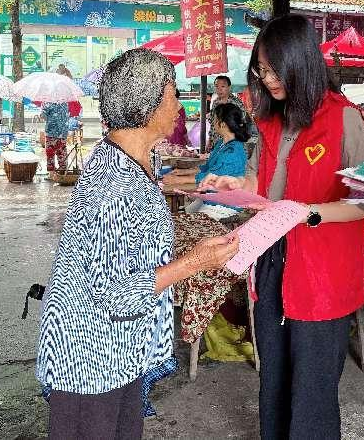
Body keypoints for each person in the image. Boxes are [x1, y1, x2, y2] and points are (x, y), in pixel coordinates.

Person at [199, 14, 364, 440]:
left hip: (322, 273)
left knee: (312, 393)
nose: (266, 79)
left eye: (272, 69)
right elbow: (261, 185)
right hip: (272, 264)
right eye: (260, 71)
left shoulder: (344, 121)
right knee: (275, 382)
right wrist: (233, 184)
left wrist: (311, 213)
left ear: (300, 62)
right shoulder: (269, 121)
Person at [36, 48, 238, 439]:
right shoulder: (115, 186)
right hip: (90, 354)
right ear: (147, 105)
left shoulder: (128, 158)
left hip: (117, 348)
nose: (179, 107)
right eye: (172, 95)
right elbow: (115, 293)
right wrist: (195, 261)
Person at [164, 103, 248, 186]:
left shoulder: (233, 152)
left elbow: (211, 177)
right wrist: (183, 172)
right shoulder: (221, 143)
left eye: (215, 120)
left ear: (223, 125)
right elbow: (207, 168)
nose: (213, 123)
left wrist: (179, 180)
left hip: (223, 197)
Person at [208, 75, 252, 149]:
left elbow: (242, 123)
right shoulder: (215, 102)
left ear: (229, 87)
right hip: (217, 143)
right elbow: (213, 123)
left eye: (223, 86)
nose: (219, 89)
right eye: (216, 86)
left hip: (232, 144)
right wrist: (210, 140)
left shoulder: (236, 103)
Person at [41, 101, 70, 174]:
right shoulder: (65, 103)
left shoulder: (47, 103)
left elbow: (43, 116)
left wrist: (42, 111)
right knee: (62, 152)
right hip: (63, 133)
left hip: (51, 133)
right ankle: (63, 171)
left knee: (50, 153)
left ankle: (51, 173)